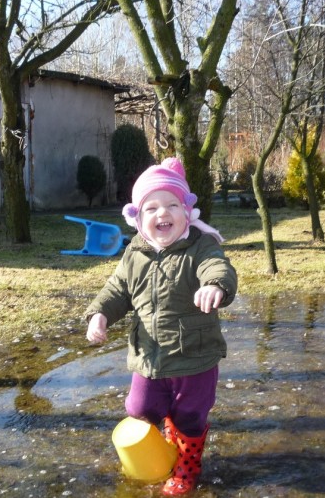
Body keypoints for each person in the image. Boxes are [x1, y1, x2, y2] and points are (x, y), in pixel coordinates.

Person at [85, 157, 237, 496]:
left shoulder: (200, 245)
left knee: (190, 416)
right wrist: (100, 314)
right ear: (138, 218)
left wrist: (215, 285)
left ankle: (187, 465)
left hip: (194, 357)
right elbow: (117, 290)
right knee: (139, 409)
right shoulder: (134, 254)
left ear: (187, 212)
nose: (162, 214)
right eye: (151, 208)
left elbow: (218, 267)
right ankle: (162, 446)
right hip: (148, 357)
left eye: (172, 204)